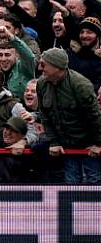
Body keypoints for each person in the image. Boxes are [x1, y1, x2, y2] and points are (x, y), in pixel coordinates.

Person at [36, 47, 101, 183]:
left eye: (44, 64)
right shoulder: (41, 84)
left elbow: (94, 117)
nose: (41, 68)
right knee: (71, 183)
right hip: (67, 144)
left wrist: (98, 143)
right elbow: (45, 116)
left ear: (57, 67)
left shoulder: (80, 85)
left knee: (93, 181)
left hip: (89, 143)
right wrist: (54, 141)